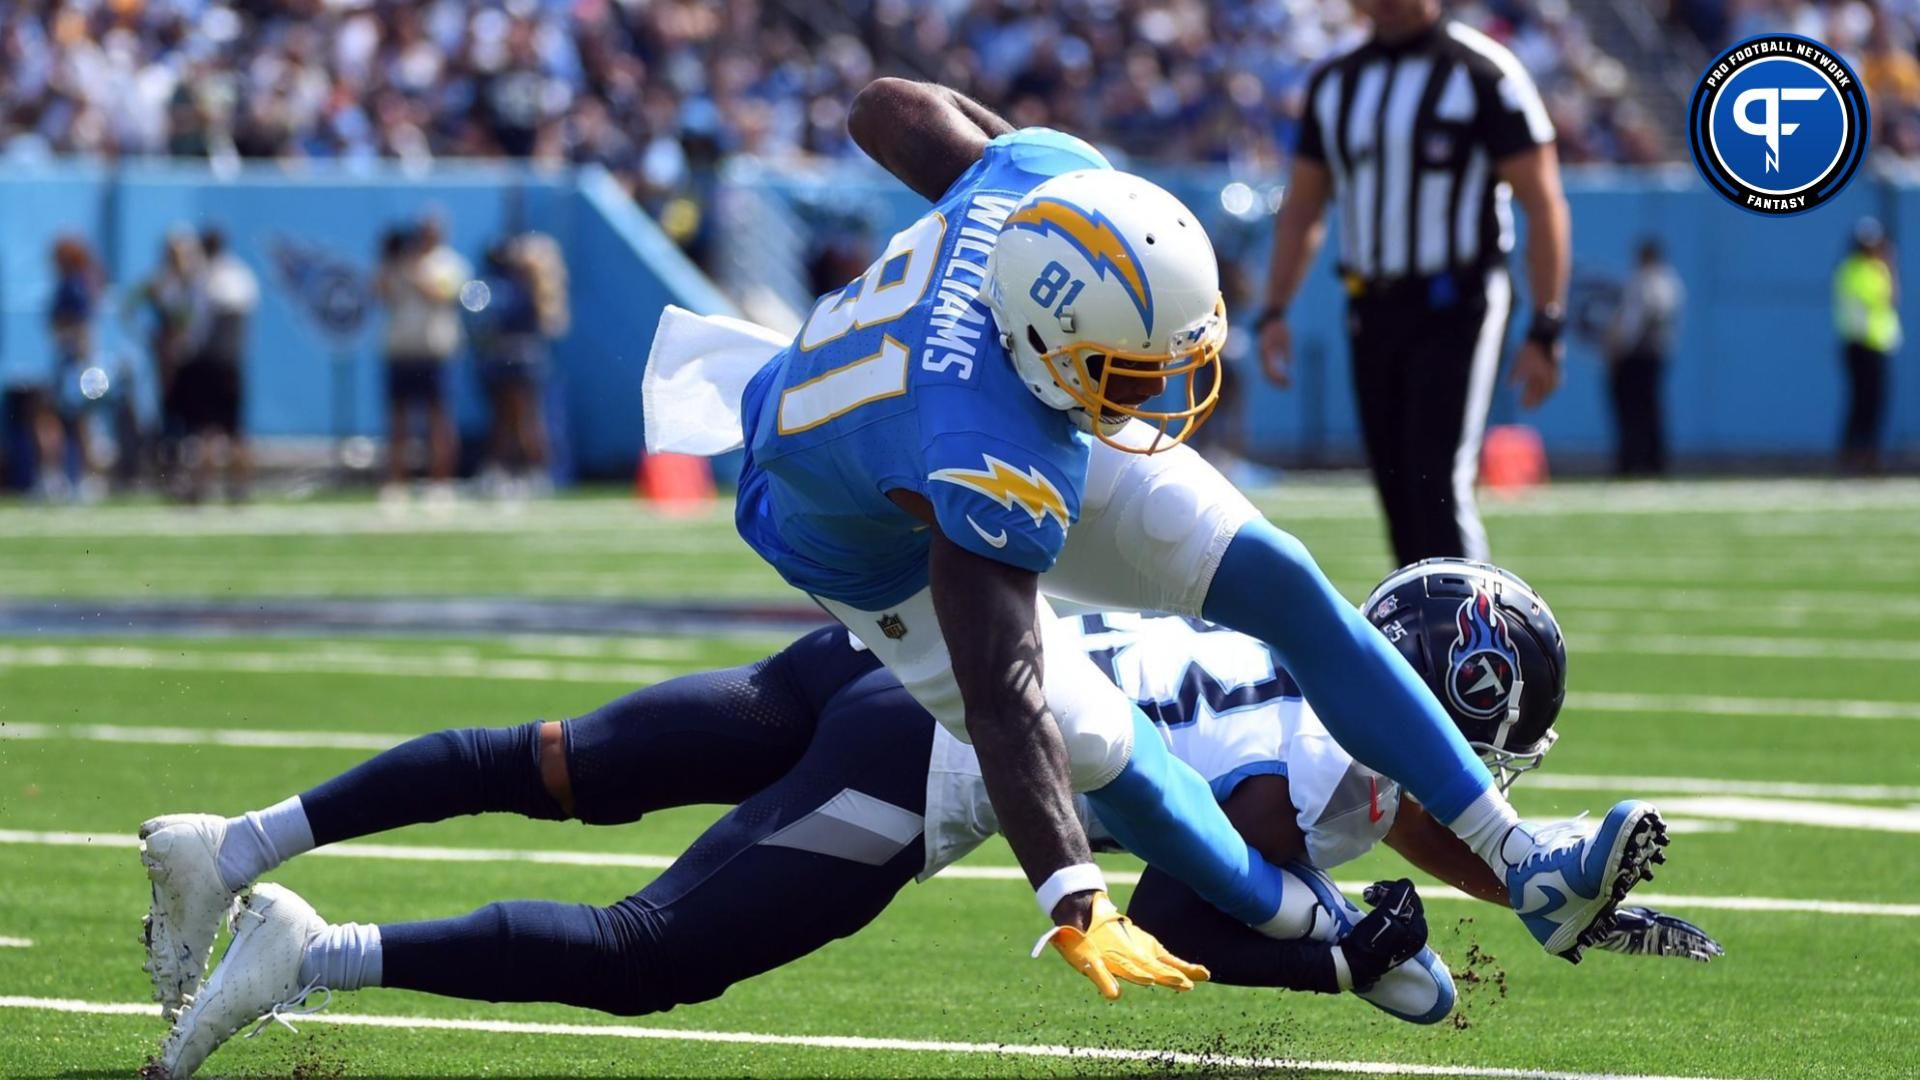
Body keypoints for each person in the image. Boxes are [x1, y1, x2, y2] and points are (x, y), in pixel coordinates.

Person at [644, 76, 1665, 1001]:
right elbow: (1005, 704)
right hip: (852, 531)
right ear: (1059, 348)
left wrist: (1017, 176)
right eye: (1134, 370)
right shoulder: (985, 447)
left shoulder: (1054, 182)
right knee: (1095, 741)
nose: (1163, 393)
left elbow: (876, 105)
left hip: (1002, 388)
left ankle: (1525, 857)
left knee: (1283, 579)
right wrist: (1072, 891)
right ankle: (1325, 928)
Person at [137, 561, 1709, 1077]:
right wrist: (1340, 963)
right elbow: (1174, 911)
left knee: (562, 760)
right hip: (949, 750)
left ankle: (243, 841)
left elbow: (1398, 812)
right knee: (650, 953)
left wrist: (1524, 893)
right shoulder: (1313, 761)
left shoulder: (1325, 695)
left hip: (905, 647)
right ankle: (309, 951)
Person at [1256, 0, 1573, 565]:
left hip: (1458, 302)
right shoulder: (1336, 81)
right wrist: (1274, 309)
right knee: (1396, 485)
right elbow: (1304, 206)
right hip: (1371, 307)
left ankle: (1468, 637)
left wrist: (1546, 323)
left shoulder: (1482, 72)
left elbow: (1542, 200)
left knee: (1437, 479)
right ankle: (1420, 640)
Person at [375, 215, 470, 505]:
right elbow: (380, 293)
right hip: (402, 350)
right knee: (399, 420)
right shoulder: (400, 264)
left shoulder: (449, 263)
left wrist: (414, 271)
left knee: (438, 420)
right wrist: (388, 262)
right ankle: (397, 482)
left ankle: (441, 482)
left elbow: (441, 293)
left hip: (434, 351)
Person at [467, 234, 565, 498]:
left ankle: (534, 471)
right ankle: (510, 471)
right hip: (508, 357)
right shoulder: (513, 286)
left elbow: (500, 320)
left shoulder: (527, 288)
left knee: (524, 419)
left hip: (519, 357)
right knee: (508, 419)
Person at [174, 228, 258, 503]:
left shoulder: (204, 279)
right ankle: (240, 485)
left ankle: (204, 486)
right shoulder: (242, 275)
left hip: (209, 361)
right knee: (234, 431)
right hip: (232, 360)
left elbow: (199, 325)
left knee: (207, 430)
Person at [131, 231, 207, 498]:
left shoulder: (194, 283)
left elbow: (191, 321)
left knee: (192, 424)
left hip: (192, 361)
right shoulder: (162, 284)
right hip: (167, 362)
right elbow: (131, 306)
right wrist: (150, 338)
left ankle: (192, 480)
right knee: (171, 421)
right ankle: (173, 479)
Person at [1604, 240, 1683, 478]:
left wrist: (1617, 349)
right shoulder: (1671, 282)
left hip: (1636, 357)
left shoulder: (1642, 282)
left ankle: (1633, 461)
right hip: (1657, 355)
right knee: (1651, 409)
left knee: (1632, 410)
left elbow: (1632, 323)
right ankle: (1653, 460)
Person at [1834, 219, 1902, 475]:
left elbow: (1893, 299)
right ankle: (1853, 456)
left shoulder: (1879, 268)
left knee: (1875, 403)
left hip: (1878, 344)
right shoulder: (1854, 270)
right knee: (1861, 402)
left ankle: (1868, 456)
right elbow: (1879, 300)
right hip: (1860, 343)